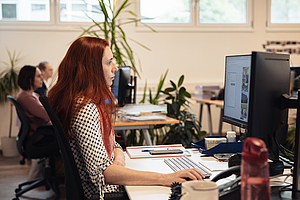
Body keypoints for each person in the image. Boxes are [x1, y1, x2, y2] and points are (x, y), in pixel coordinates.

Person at [48, 36, 204, 200]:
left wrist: (118, 163)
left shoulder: (92, 102)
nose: (115, 68)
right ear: (90, 69)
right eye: (108, 63)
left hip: (111, 187)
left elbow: (114, 145)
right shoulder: (85, 108)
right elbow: (104, 172)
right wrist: (164, 178)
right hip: (104, 194)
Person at [17, 65, 53, 180]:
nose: (42, 78)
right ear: (29, 80)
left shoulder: (34, 95)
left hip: (41, 134)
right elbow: (48, 115)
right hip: (39, 138)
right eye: (38, 76)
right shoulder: (26, 98)